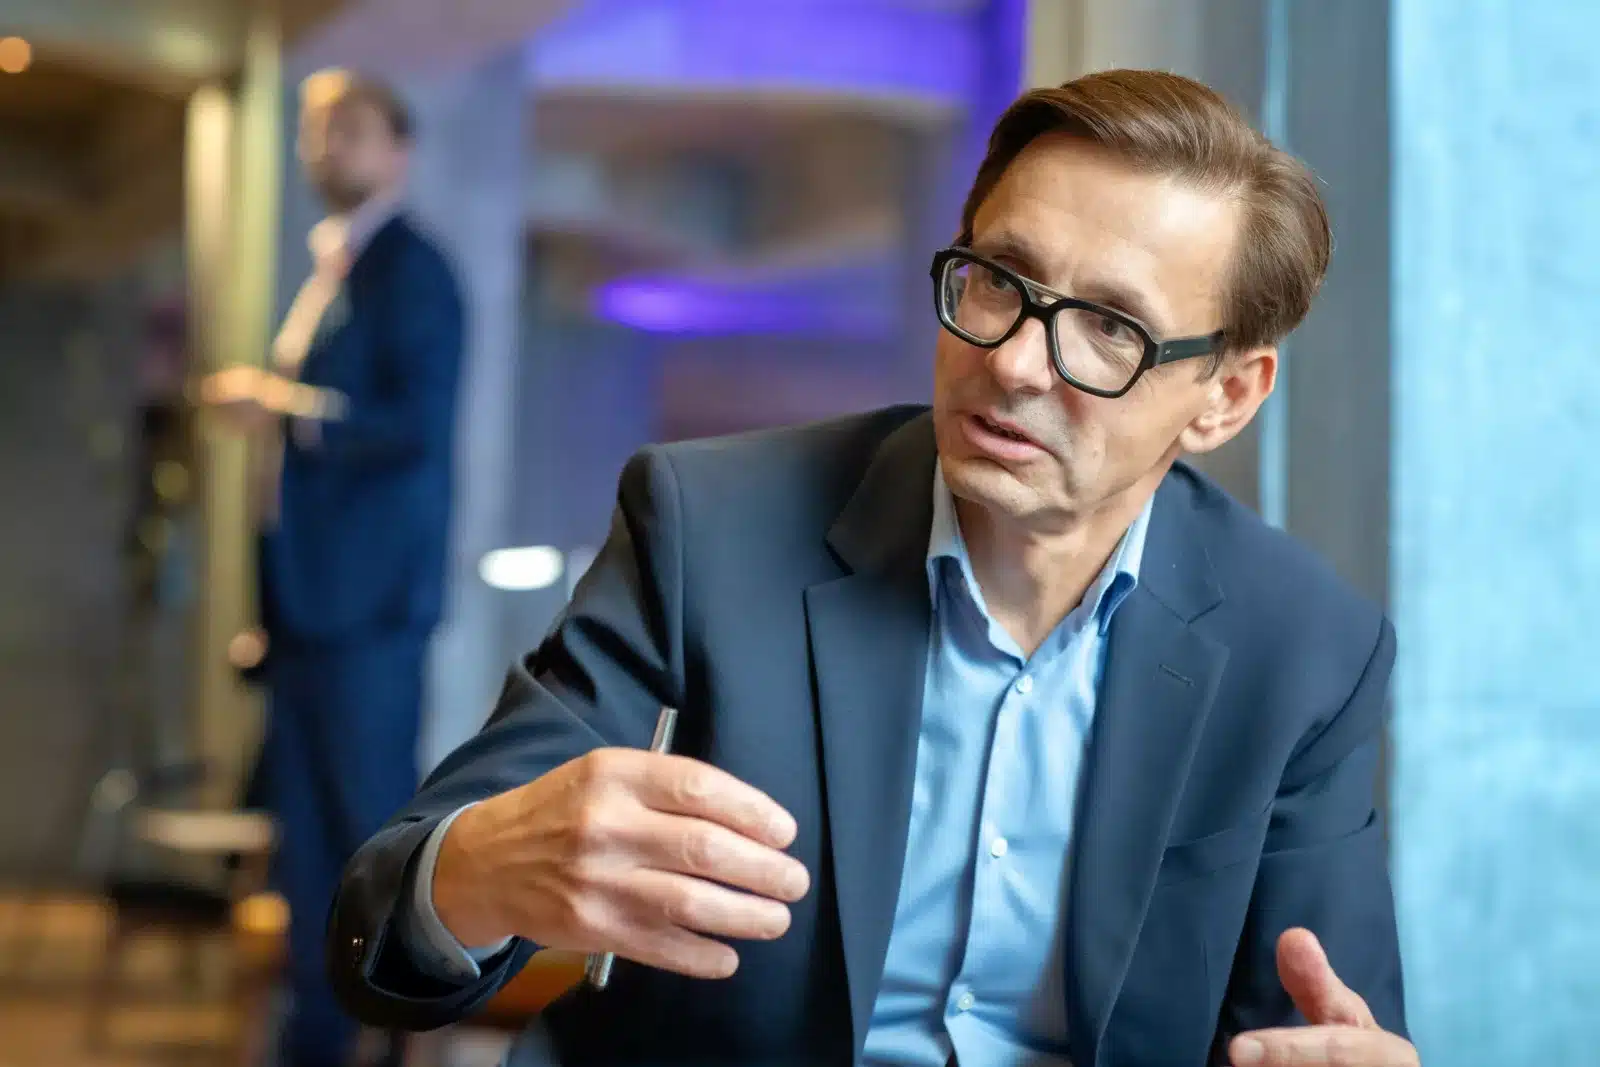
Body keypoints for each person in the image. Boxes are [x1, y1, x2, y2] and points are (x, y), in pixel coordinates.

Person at [327, 70, 1417, 1067]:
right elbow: (380, 931)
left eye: (1108, 328)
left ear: (1225, 396)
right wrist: (476, 870)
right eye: (999, 280)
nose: (1013, 361)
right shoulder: (711, 526)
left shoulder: (1304, 650)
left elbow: (1320, 1028)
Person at [201, 71, 463, 1067]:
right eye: (315, 129)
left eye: (348, 128)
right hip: (305, 610)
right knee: (304, 844)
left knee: (373, 832)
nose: (326, 145)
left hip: (369, 610)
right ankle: (310, 1042)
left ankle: (402, 1041)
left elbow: (416, 427)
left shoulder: (415, 270)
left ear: (399, 150)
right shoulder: (332, 269)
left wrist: (284, 408)